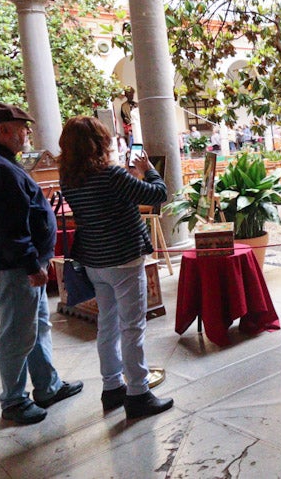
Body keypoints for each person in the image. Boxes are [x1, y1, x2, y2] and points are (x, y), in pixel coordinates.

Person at [0, 103, 83, 425]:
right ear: (4, 130)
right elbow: (9, 227)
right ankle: (13, 401)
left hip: (14, 263)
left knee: (35, 325)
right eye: (23, 128)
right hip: (13, 267)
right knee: (17, 333)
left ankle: (47, 386)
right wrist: (31, 264)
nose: (27, 133)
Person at [59, 117, 174, 419]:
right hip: (123, 259)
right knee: (132, 327)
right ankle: (138, 392)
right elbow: (157, 194)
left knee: (107, 325)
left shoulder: (69, 178)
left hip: (95, 260)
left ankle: (112, 388)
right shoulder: (109, 174)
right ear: (99, 142)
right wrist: (148, 170)